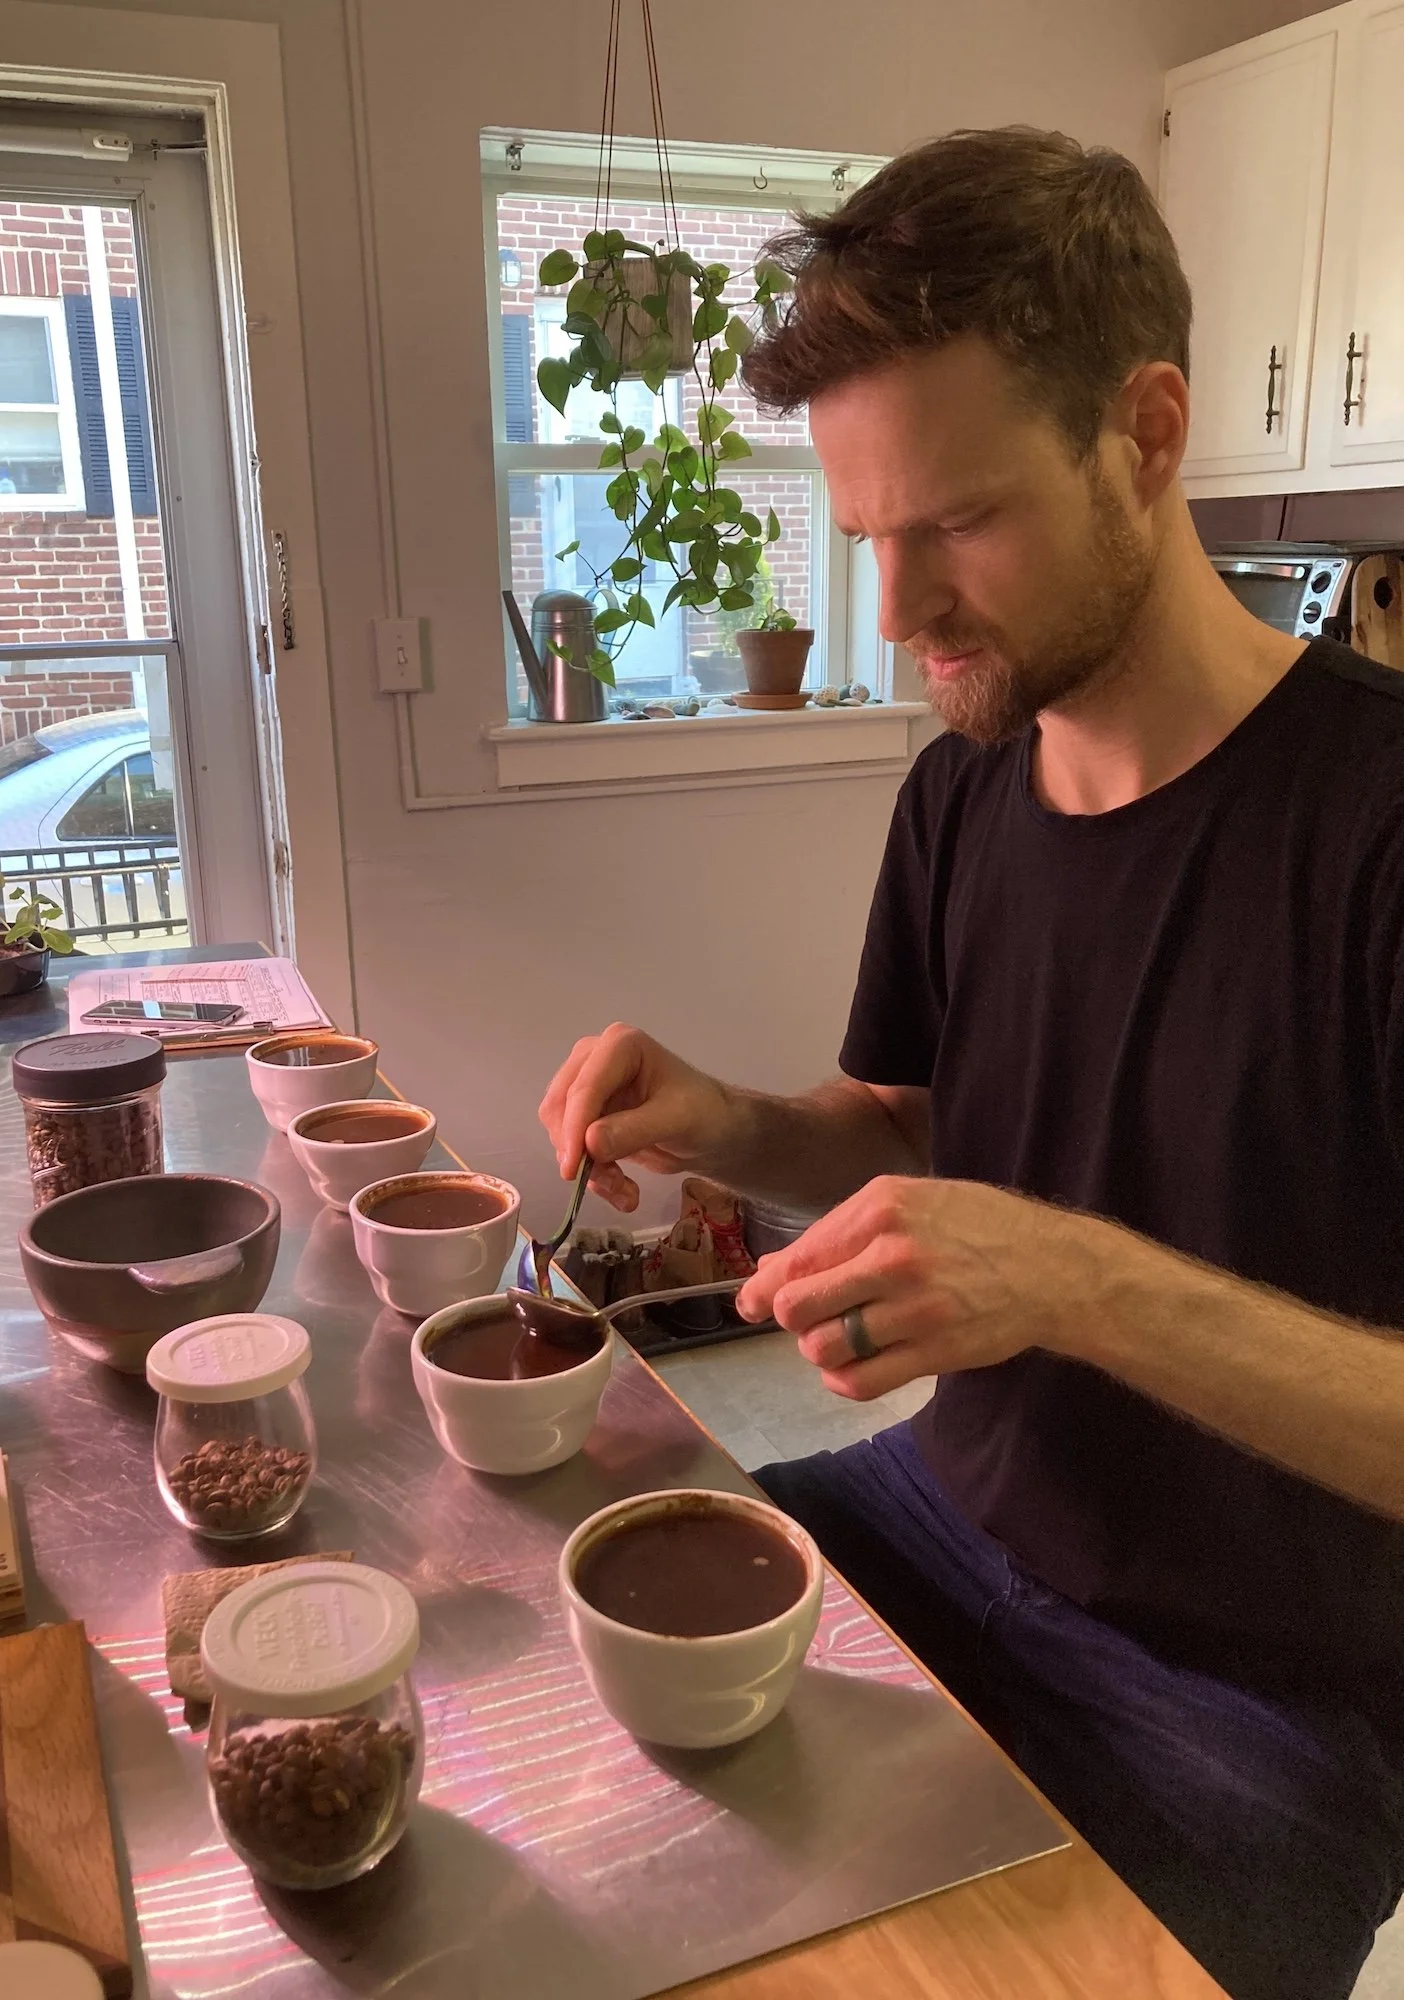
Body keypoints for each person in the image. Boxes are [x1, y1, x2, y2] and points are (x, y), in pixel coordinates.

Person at [538, 128, 1404, 2000]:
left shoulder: (1379, 830)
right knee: (592, 1794)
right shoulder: (963, 792)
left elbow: (1053, 1251)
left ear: (1149, 431)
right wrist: (736, 1121)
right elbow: (920, 1126)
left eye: (961, 522)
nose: (903, 611)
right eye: (866, 539)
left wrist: (1079, 1281)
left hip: (1253, 1703)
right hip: (942, 1512)